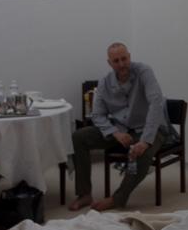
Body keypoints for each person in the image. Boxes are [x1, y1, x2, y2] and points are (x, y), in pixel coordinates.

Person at [70, 42, 174, 212]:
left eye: (124, 58)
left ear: (129, 56)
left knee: (142, 152)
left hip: (150, 128)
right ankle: (84, 194)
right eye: (116, 61)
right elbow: (97, 115)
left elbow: (156, 104)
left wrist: (145, 141)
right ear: (109, 63)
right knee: (79, 137)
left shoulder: (144, 72)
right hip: (121, 129)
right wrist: (115, 133)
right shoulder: (104, 82)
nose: (121, 64)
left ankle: (118, 199)